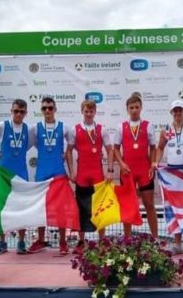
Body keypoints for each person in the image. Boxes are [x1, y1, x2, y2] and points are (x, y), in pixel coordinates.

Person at [0, 98, 31, 255]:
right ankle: (2, 243)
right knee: (1, 208)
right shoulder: (2, 126)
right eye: (15, 111)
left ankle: (21, 242)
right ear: (11, 111)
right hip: (3, 173)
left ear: (25, 113)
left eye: (21, 112)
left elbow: (25, 147)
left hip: (21, 174)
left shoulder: (27, 129)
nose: (18, 114)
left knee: (22, 208)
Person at [66, 100, 115, 254]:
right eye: (86, 111)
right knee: (81, 209)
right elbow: (68, 151)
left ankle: (102, 241)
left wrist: (110, 170)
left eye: (91, 111)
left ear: (95, 112)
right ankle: (81, 241)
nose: (88, 114)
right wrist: (71, 172)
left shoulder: (102, 130)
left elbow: (110, 150)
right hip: (81, 176)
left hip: (98, 176)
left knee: (99, 209)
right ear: (82, 112)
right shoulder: (75, 130)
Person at [154, 100, 183, 254]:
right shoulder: (166, 131)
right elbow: (160, 148)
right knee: (174, 210)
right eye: (175, 111)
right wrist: (156, 161)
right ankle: (177, 244)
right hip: (172, 175)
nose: (177, 113)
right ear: (171, 113)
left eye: (180, 110)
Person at [27, 96, 71, 255]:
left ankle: (63, 242)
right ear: (41, 110)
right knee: (40, 208)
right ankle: (40, 240)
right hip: (42, 173)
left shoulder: (64, 127)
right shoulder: (36, 128)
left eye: (50, 108)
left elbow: (73, 146)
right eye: (44, 108)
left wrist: (66, 154)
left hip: (58, 171)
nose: (47, 110)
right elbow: (27, 147)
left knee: (60, 209)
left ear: (55, 109)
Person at [113, 92, 158, 238]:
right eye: (131, 107)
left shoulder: (148, 126)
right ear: (127, 109)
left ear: (141, 108)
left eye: (136, 107)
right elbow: (115, 148)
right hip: (127, 171)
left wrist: (152, 165)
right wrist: (121, 163)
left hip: (145, 171)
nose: (134, 110)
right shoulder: (121, 127)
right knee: (128, 206)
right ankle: (127, 239)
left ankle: (156, 239)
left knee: (149, 205)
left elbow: (153, 148)